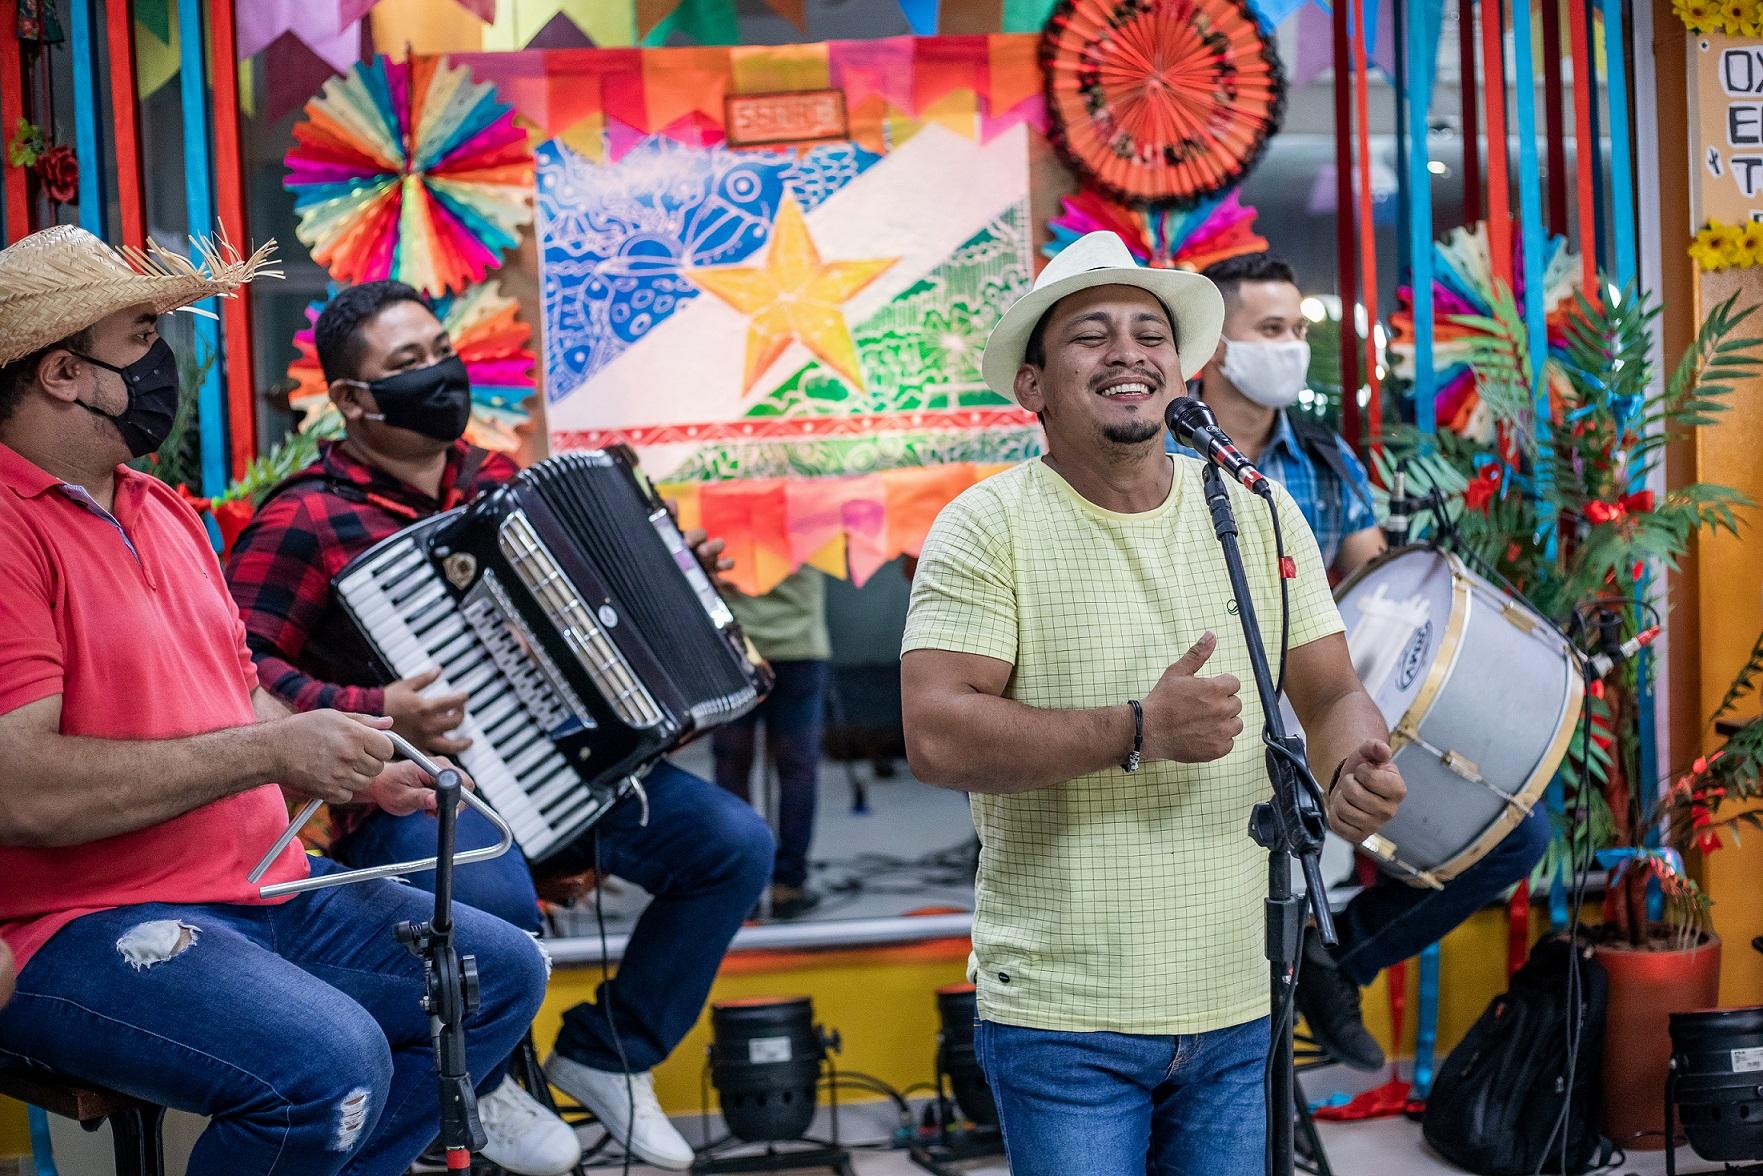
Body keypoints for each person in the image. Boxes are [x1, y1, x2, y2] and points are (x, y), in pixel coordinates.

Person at [0, 226, 548, 1176]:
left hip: (260, 888)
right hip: (83, 925)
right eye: (141, 336)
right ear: (62, 372)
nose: (163, 359)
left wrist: (353, 762)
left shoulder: (159, 505)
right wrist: (271, 755)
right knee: (327, 1065)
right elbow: (24, 791)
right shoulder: (8, 529)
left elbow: (234, 694)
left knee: (497, 979)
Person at [225, 280, 775, 1173]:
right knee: (493, 900)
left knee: (730, 844)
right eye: (408, 365)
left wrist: (679, 582)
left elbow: (594, 625)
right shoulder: (303, 517)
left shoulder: (503, 487)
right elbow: (229, 673)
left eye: (442, 349)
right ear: (352, 402)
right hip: (412, 787)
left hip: (559, 770)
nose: (441, 374)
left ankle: (609, 1055)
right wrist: (378, 711)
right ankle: (484, 1084)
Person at [899, 230, 1407, 1176]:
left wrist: (1353, 762)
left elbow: (1330, 687)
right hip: (1063, 1013)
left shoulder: (1254, 507)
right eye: (1090, 335)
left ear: (1179, 372)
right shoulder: (985, 526)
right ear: (1034, 385)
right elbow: (935, 732)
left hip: (1240, 995)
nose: (1128, 350)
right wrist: (1137, 730)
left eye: (1150, 333)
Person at [1183, 251, 1552, 1070]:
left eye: (1295, 329)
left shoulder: (1325, 461)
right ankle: (1290, 976)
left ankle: (1330, 963)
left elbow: (1376, 590)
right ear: (1212, 347)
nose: (1290, 346)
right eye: (1269, 329)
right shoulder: (1163, 464)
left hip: (1316, 708)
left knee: (1514, 835)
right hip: (1208, 722)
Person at [712, 567, 832, 919]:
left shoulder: (717, 512)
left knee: (732, 765)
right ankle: (789, 885)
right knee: (797, 769)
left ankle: (741, 885)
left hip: (733, 646)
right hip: (801, 645)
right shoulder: (813, 512)